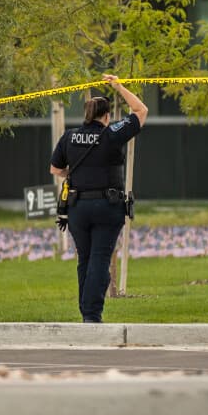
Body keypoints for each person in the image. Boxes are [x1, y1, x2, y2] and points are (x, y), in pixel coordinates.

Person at [49, 74, 148, 323]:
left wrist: (75, 173)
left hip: (78, 208)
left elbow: (55, 169)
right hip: (107, 206)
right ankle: (92, 315)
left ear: (86, 115)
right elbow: (141, 110)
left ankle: (87, 312)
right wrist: (118, 85)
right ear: (106, 117)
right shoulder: (111, 134)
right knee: (100, 261)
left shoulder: (70, 136)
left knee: (86, 259)